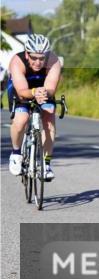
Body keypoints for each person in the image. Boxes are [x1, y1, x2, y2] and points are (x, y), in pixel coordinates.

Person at [7, 34, 62, 181]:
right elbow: (21, 91)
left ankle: (46, 164)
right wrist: (32, 92)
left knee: (49, 117)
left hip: (43, 89)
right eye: (34, 58)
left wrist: (44, 92)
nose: (38, 62)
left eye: (42, 58)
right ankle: (16, 153)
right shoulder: (17, 61)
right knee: (21, 120)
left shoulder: (54, 61)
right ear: (26, 54)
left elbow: (51, 88)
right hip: (22, 90)